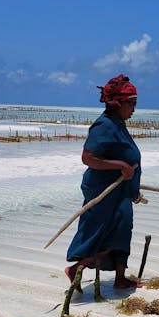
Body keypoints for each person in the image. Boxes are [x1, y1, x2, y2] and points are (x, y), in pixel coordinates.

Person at [65, 74, 143, 291]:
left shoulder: (118, 124)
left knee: (123, 229)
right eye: (131, 103)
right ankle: (76, 269)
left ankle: (120, 278)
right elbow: (88, 158)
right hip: (105, 192)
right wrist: (122, 165)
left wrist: (134, 191)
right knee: (104, 233)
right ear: (118, 103)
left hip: (120, 191)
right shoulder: (104, 125)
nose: (134, 109)